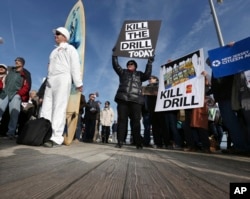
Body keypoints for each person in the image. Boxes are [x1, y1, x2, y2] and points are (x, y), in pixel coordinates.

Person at [41, 27, 83, 148]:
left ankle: (56, 137)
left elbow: (75, 66)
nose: (55, 36)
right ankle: (44, 134)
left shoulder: (70, 49)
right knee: (46, 108)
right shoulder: (53, 52)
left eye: (58, 34)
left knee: (59, 107)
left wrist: (78, 83)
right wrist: (47, 80)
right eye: (55, 34)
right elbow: (50, 68)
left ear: (65, 36)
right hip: (51, 80)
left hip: (63, 77)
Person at [112, 48, 153, 149]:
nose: (130, 65)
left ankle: (138, 142)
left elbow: (147, 75)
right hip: (123, 99)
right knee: (122, 121)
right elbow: (116, 66)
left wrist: (149, 62)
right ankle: (120, 141)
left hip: (136, 101)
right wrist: (114, 55)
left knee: (136, 121)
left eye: (132, 64)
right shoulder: (123, 72)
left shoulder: (139, 74)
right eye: (128, 64)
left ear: (135, 66)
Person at [0, 58, 31, 139]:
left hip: (16, 94)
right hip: (5, 93)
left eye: (19, 61)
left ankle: (11, 133)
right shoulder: (9, 70)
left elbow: (27, 87)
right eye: (16, 60)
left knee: (14, 113)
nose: (16, 62)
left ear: (23, 63)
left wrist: (19, 94)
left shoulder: (25, 73)